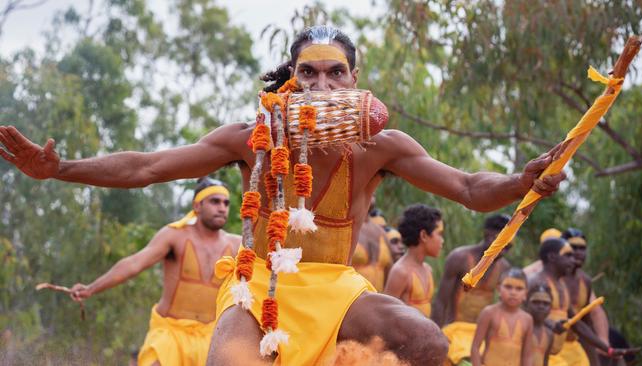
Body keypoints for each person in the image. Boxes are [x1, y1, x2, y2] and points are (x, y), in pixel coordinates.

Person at [0, 25, 566, 366]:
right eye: (309, 74)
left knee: (424, 341)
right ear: (290, 81)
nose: (322, 87)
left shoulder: (381, 146)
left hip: (339, 289)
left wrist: (522, 181)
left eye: (335, 74)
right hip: (256, 286)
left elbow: (470, 188)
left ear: (355, 80)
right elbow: (147, 166)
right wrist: (63, 169)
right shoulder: (254, 139)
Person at [69, 178, 240, 366]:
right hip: (170, 334)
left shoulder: (236, 245)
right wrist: (91, 288)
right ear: (197, 206)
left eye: (226, 203)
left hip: (212, 337)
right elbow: (134, 263)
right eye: (215, 201)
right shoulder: (175, 235)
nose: (222, 208)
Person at [527, 238, 631, 366]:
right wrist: (551, 325)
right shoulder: (537, 283)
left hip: (558, 354)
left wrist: (607, 349)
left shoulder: (561, 285)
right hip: (539, 353)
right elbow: (525, 315)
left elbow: (577, 324)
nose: (573, 260)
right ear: (552, 257)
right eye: (568, 255)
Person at [432, 214, 513, 365]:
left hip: (480, 335)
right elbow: (440, 302)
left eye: (508, 246)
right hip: (455, 332)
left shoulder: (504, 267)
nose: (504, 250)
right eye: (503, 244)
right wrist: (435, 337)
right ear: (488, 234)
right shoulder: (459, 258)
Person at [561, 228, 610, 365]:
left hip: (574, 346)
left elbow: (588, 319)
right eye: (573, 247)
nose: (578, 252)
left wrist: (602, 343)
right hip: (551, 348)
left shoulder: (585, 281)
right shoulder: (553, 278)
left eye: (582, 248)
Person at [384, 204, 443, 317]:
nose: (442, 240)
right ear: (424, 236)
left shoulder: (427, 269)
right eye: (439, 234)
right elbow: (386, 315)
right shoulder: (401, 272)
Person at [470, 268, 534, 366]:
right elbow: (475, 347)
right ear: (499, 289)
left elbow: (527, 355)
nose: (513, 292)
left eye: (519, 289)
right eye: (508, 287)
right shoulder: (489, 313)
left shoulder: (527, 319)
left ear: (525, 294)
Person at [352, 196, 392, 291]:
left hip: (377, 301)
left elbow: (389, 271)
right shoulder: (343, 230)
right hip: (350, 301)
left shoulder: (382, 233)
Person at [525, 284, 555, 366]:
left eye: (546, 303)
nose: (541, 306)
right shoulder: (521, 327)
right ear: (526, 304)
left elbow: (545, 362)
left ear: (551, 307)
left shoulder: (549, 334)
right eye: (536, 302)